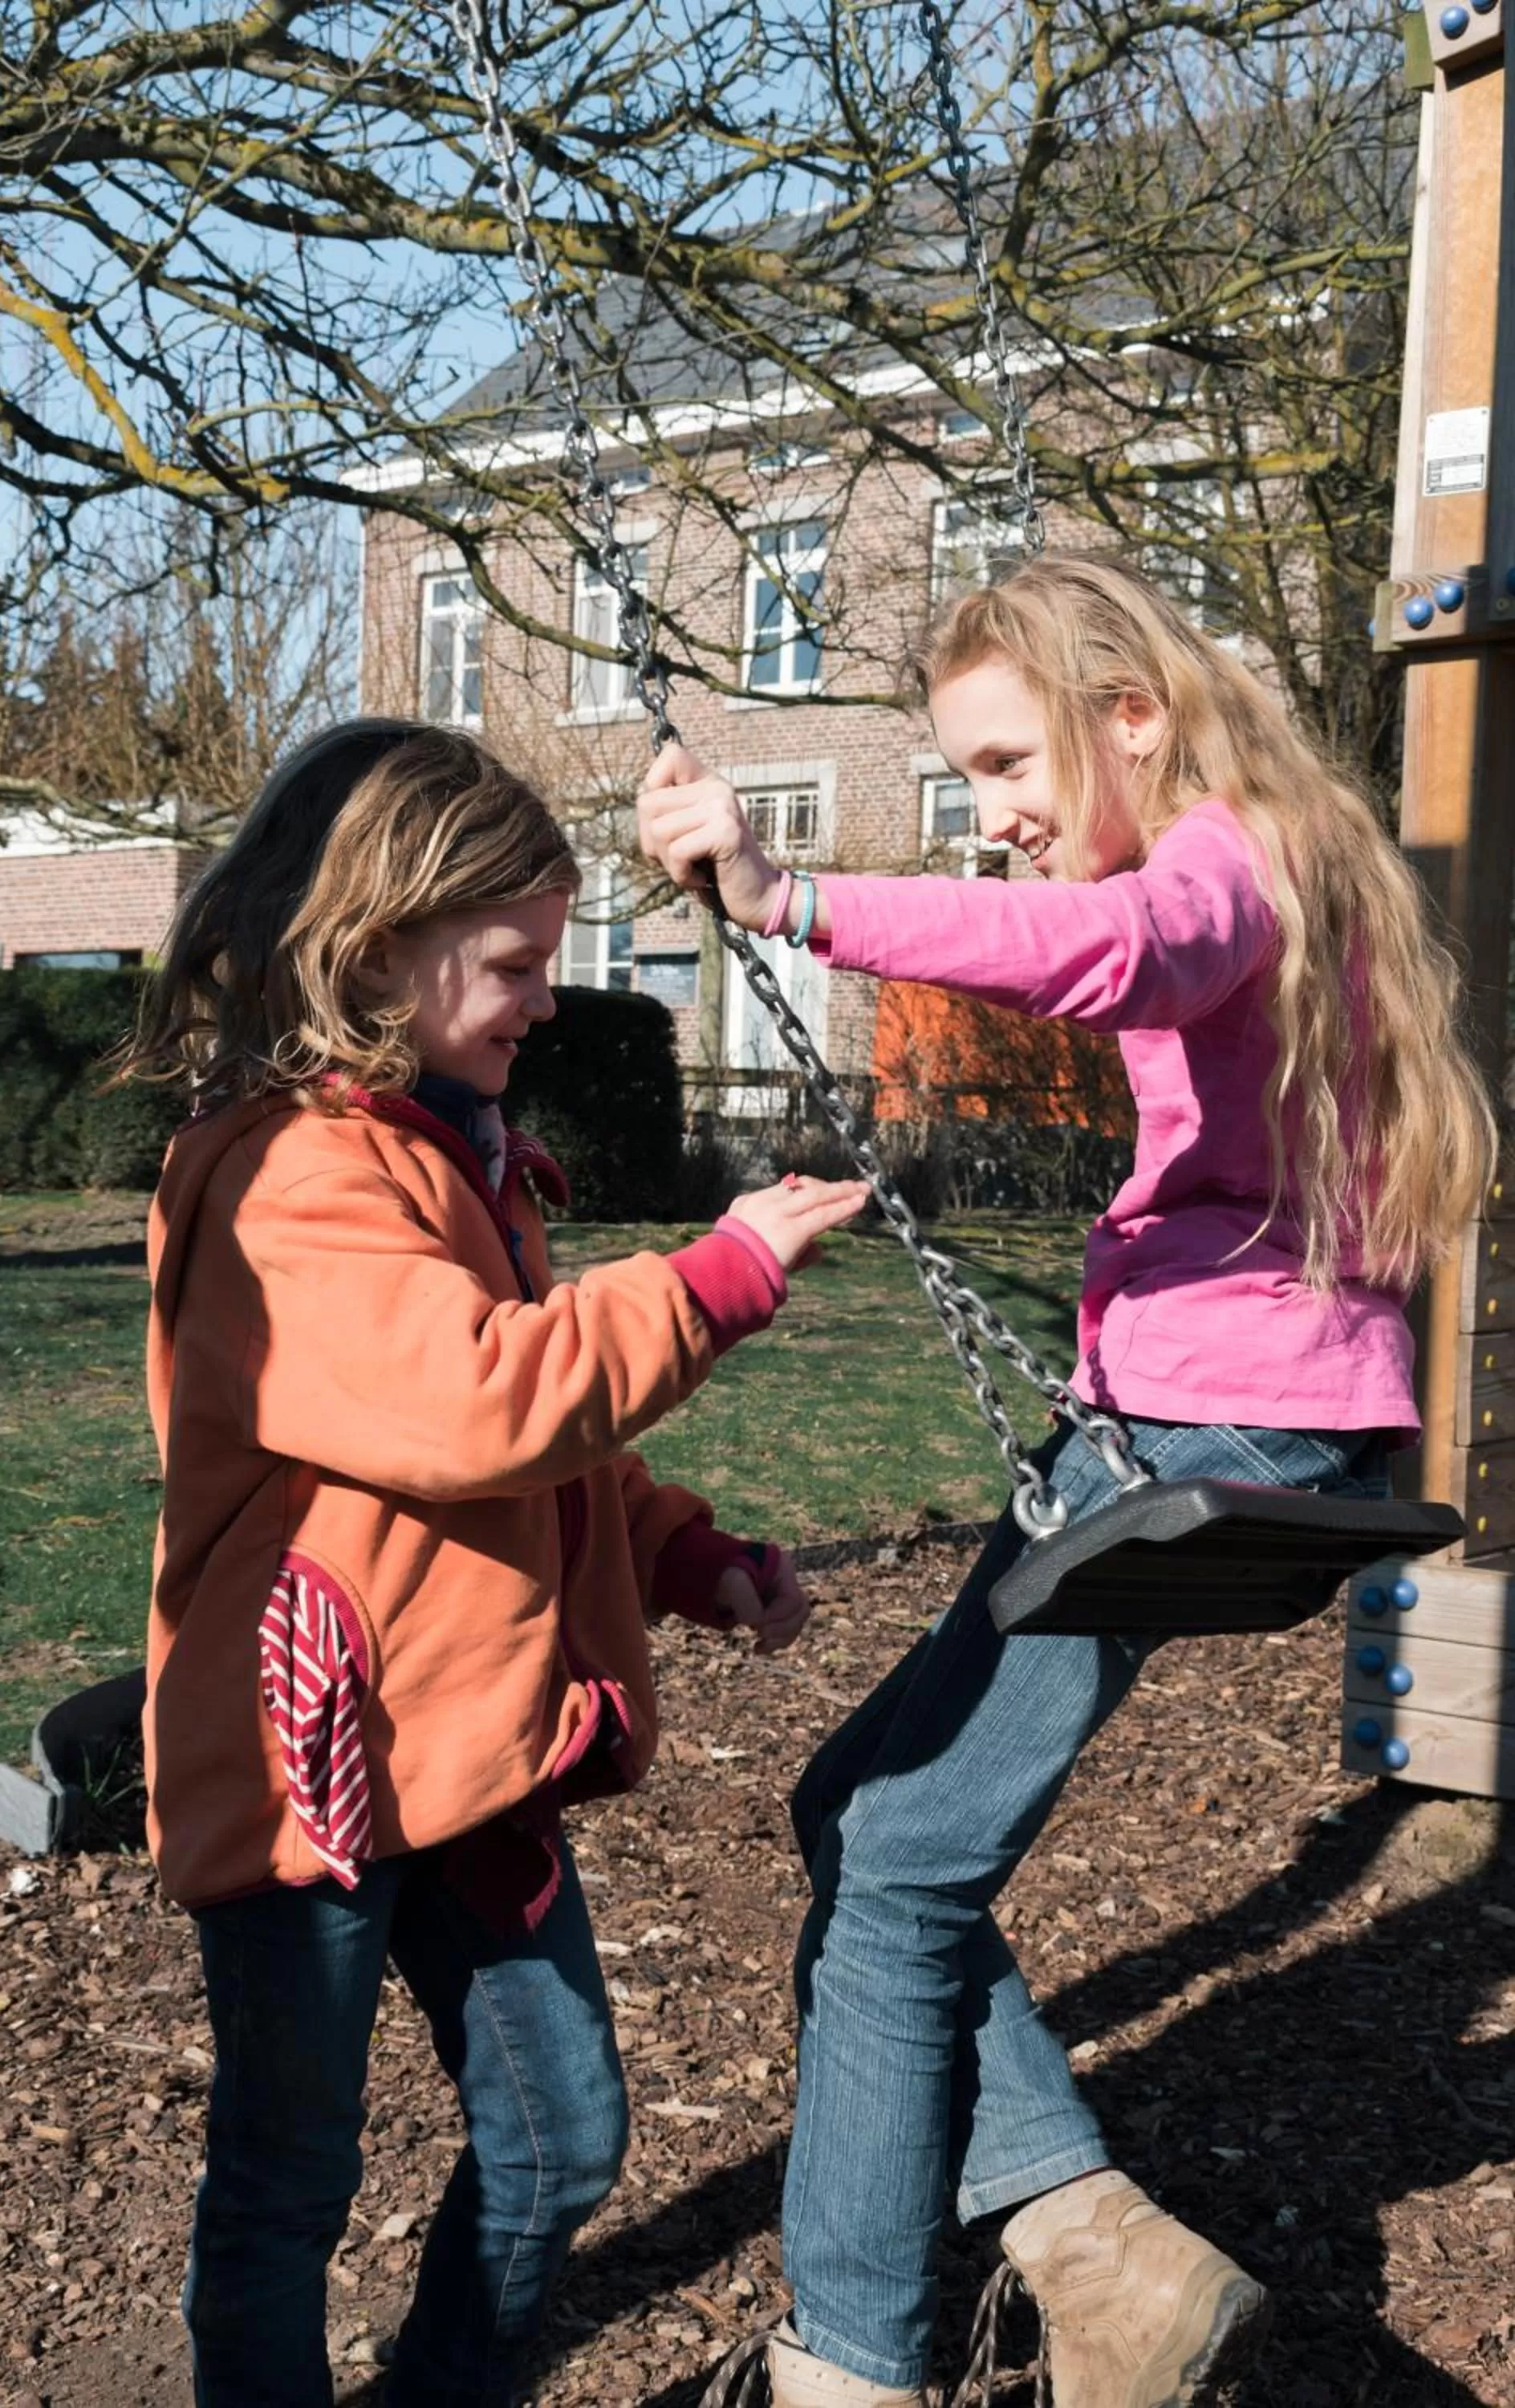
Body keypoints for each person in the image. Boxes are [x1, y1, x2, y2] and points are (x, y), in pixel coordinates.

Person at [636, 555, 1496, 2408]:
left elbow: (1116, 954)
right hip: (1218, 1420)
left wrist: (792, 900)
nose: (997, 814)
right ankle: (1090, 2256)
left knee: (900, 1872)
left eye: (1011, 765)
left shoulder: (1220, 864)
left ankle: (848, 2364)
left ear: (1135, 718)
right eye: (969, 780)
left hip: (1205, 1436)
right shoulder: (1286, 849)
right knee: (855, 1807)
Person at [123, 717, 870, 2408]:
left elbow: (535, 1449)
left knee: (560, 2139)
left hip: (461, 1739)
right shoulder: (288, 1179)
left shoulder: (443, 1147)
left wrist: (684, 1555)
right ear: (375, 941)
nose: (552, 994)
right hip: (312, 1753)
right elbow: (476, 1401)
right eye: (518, 961)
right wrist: (720, 1276)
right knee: (287, 2184)